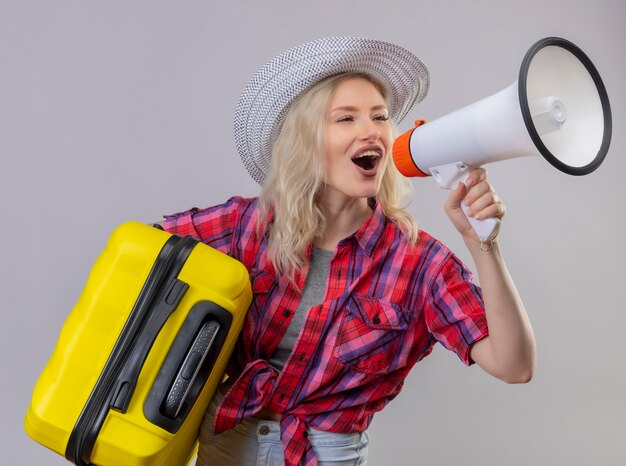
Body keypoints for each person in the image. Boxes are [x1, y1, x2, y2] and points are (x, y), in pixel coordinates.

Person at [161, 37, 535, 466]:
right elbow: (144, 255)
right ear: (305, 141)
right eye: (346, 118)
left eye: (380, 116)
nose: (371, 129)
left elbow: (514, 365)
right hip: (227, 439)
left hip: (324, 453)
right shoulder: (249, 225)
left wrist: (482, 244)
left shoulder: (418, 263)